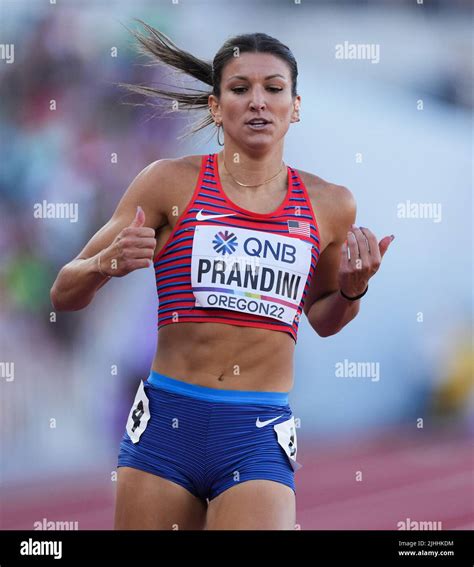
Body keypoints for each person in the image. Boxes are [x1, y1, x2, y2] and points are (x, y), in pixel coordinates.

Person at [50, 23, 394, 530]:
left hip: (255, 431)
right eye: (240, 89)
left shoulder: (330, 204)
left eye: (273, 89)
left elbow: (324, 317)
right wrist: (108, 263)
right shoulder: (169, 181)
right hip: (169, 424)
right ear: (216, 107)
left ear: (295, 106)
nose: (258, 102)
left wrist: (353, 288)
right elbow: (64, 290)